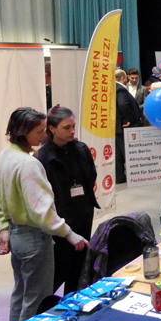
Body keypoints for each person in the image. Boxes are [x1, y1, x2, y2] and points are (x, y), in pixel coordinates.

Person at [0, 107, 88, 321]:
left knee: (21, 293)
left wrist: (4, 230)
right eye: (39, 132)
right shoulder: (29, 164)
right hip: (34, 239)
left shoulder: (6, 155)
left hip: (17, 237)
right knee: (36, 301)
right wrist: (69, 234)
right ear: (23, 133)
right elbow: (42, 213)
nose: (44, 136)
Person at [36, 106, 98, 294]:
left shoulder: (81, 149)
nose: (72, 131)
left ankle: (74, 305)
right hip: (60, 221)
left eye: (73, 126)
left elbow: (91, 176)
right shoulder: (43, 158)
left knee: (79, 269)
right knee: (60, 268)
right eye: (66, 127)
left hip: (83, 215)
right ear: (52, 128)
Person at [115, 69, 142, 183]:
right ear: (123, 78)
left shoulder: (112, 88)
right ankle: (135, 176)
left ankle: (120, 176)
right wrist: (128, 119)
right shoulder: (120, 89)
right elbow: (123, 104)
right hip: (126, 126)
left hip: (117, 126)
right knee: (128, 152)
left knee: (118, 153)